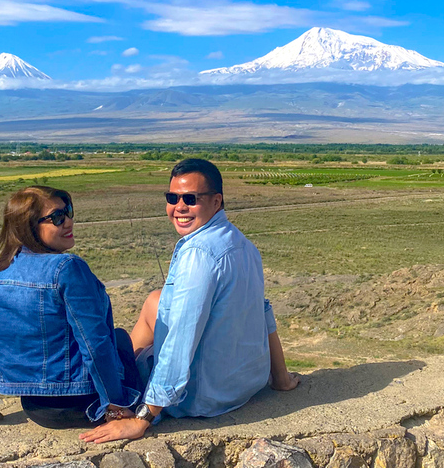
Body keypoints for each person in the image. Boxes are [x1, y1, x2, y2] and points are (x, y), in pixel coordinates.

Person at [80, 159, 299, 443]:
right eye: (172, 198)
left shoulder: (199, 254)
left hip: (203, 397)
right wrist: (280, 378)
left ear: (217, 201)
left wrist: (143, 419)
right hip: (245, 383)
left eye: (190, 199)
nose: (179, 207)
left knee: (125, 347)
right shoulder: (242, 243)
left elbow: (180, 340)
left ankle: (123, 394)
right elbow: (262, 311)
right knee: (155, 301)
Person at [0, 186, 141, 429]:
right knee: (121, 339)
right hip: (84, 405)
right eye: (57, 218)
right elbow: (95, 344)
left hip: (35, 408)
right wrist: (115, 407)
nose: (69, 222)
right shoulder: (67, 268)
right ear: (29, 226)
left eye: (69, 212)